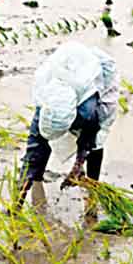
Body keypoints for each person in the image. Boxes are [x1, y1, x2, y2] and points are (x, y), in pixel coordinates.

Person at [17, 42, 119, 199]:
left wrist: (77, 166)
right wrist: (18, 200)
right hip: (66, 67)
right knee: (38, 148)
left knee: (96, 143)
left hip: (95, 76)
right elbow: (33, 149)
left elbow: (91, 138)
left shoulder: (92, 110)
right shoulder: (44, 95)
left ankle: (93, 193)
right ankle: (36, 179)